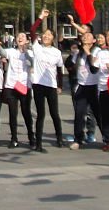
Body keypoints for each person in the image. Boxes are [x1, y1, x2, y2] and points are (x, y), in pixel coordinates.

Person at [29, 10, 63, 151]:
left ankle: (59, 138)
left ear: (53, 38)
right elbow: (32, 31)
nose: (46, 36)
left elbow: (60, 70)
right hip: (38, 84)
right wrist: (41, 18)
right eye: (44, 34)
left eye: (49, 35)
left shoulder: (57, 52)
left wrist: (60, 86)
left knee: (55, 113)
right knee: (41, 114)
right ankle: (38, 143)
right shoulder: (37, 48)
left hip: (51, 85)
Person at [67, 30, 101, 150]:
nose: (85, 37)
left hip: (94, 86)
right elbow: (69, 65)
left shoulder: (97, 51)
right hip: (82, 86)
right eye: (84, 36)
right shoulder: (78, 53)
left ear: (94, 41)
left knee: (98, 114)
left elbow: (94, 69)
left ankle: (108, 139)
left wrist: (88, 53)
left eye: (88, 36)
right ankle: (78, 139)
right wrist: (73, 53)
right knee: (79, 113)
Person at [3, 31, 33, 148]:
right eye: (18, 36)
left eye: (23, 37)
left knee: (26, 113)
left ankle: (31, 136)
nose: (20, 38)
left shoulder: (30, 53)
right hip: (11, 86)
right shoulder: (11, 52)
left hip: (25, 86)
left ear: (26, 40)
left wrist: (25, 52)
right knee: (12, 113)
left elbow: (32, 63)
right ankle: (14, 138)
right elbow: (2, 52)